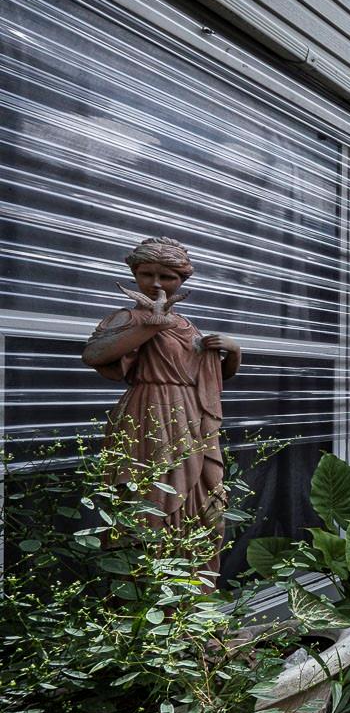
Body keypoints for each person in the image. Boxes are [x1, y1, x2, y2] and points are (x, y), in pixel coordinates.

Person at [82, 237, 241, 577]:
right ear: (135, 274)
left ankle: (192, 606)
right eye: (146, 274)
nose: (156, 283)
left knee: (205, 499)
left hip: (193, 416)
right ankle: (146, 602)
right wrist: (149, 326)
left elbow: (211, 378)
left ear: (181, 281)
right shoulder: (128, 316)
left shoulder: (188, 325)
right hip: (148, 414)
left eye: (166, 277)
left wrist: (234, 352)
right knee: (148, 501)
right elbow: (94, 355)